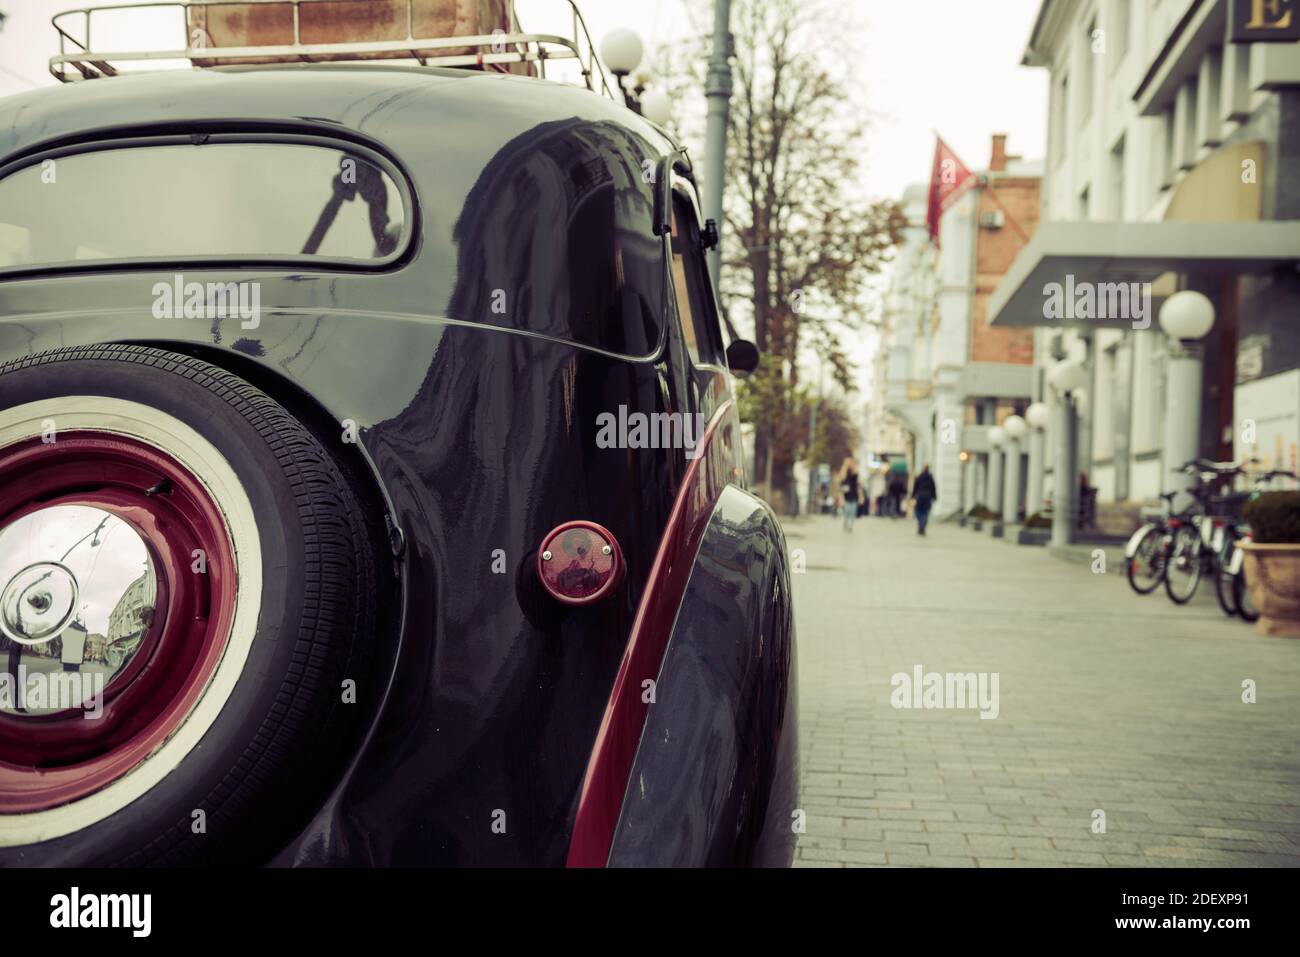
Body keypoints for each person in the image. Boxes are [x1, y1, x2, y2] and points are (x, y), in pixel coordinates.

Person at [911, 464, 937, 536]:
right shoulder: (930, 477)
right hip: (927, 496)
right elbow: (933, 488)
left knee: (918, 511)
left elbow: (915, 487)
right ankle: (922, 525)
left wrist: (913, 496)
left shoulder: (919, 477)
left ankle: (921, 524)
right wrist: (934, 497)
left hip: (919, 495)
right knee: (925, 512)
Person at [837, 457, 861, 531]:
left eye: (851, 463)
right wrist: (841, 497)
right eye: (848, 463)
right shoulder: (843, 474)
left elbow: (858, 485)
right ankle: (846, 522)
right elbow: (840, 486)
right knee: (847, 510)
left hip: (854, 495)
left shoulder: (855, 474)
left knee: (853, 511)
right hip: (846, 496)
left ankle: (850, 525)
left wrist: (861, 496)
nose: (850, 464)